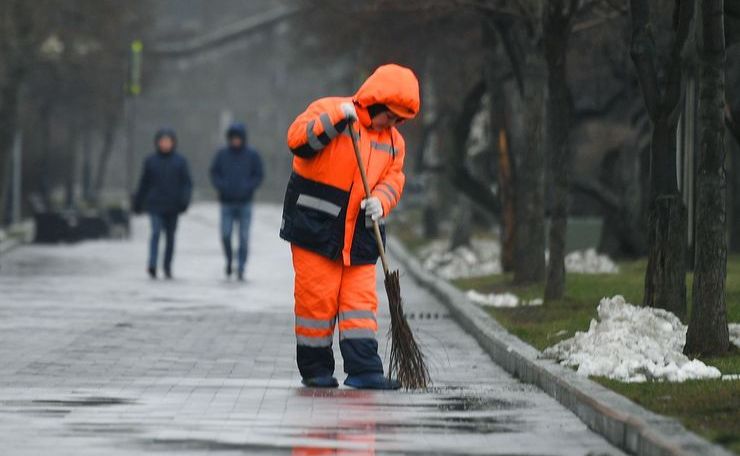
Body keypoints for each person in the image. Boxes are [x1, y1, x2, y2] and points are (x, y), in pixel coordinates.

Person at [280, 64, 420, 389]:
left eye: (400, 120)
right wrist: (335, 121)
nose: (394, 124)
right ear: (375, 102)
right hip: (316, 229)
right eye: (392, 116)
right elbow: (298, 142)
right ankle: (316, 371)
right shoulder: (331, 110)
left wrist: (382, 202)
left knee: (360, 305)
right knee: (317, 301)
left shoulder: (395, 143)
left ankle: (364, 370)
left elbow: (393, 179)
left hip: (361, 235)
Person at [133, 128, 193, 279]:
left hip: (173, 206)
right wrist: (138, 202)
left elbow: (186, 183)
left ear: (173, 143)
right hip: (155, 205)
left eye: (168, 141)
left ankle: (167, 265)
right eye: (162, 141)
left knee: (170, 237)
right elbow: (144, 183)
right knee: (155, 233)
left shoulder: (180, 161)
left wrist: (184, 201)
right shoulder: (150, 161)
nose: (165, 144)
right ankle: (152, 264)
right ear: (157, 143)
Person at [210, 122, 264, 280]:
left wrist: (248, 187)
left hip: (245, 202)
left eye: (238, 138)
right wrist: (222, 186)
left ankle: (241, 266)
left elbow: (259, 174)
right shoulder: (221, 155)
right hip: (226, 202)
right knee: (226, 234)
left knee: (244, 237)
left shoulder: (252, 155)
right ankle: (229, 259)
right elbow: (214, 173)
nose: (236, 141)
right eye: (233, 138)